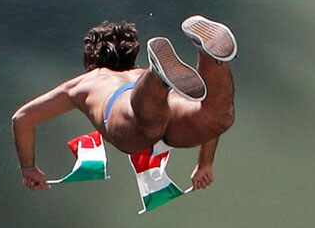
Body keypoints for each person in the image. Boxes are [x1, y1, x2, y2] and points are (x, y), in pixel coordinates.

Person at [12, 16, 238, 192]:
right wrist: (205, 164)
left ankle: (157, 76)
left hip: (124, 103)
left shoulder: (86, 82)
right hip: (163, 98)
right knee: (218, 118)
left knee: (146, 127)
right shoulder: (134, 72)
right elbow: (210, 130)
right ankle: (208, 54)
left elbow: (22, 118)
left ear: (91, 61)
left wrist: (28, 167)